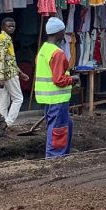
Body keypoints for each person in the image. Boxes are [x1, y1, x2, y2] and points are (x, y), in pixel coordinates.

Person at [34, 17, 77, 159]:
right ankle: (55, 158)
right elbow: (59, 79)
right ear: (59, 32)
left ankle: (60, 155)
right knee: (58, 130)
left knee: (65, 125)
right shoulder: (57, 53)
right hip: (57, 98)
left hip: (48, 99)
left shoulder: (43, 50)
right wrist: (73, 79)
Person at [0, 16, 23, 126]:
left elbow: (10, 59)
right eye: (9, 26)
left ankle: (1, 124)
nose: (11, 28)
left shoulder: (5, 38)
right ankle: (8, 123)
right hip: (8, 74)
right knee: (18, 98)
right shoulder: (3, 39)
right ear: (3, 27)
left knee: (4, 100)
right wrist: (0, 77)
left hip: (7, 73)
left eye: (13, 26)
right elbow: (0, 58)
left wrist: (20, 72)